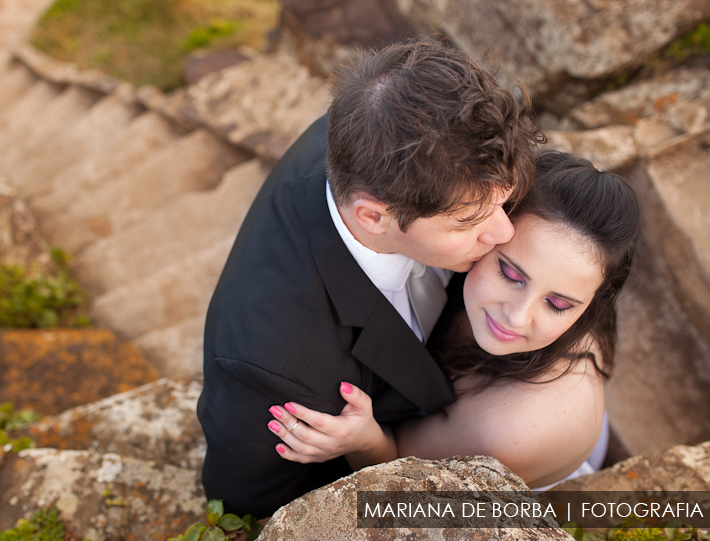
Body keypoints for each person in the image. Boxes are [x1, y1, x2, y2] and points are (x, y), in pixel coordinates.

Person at [198, 39, 544, 518]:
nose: (505, 231)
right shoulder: (277, 370)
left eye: (503, 201)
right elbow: (245, 504)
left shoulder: (400, 128)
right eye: (469, 222)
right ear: (373, 217)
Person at [267, 151, 641, 490]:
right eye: (511, 275)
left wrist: (365, 440)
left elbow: (405, 480)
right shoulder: (563, 268)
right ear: (489, 230)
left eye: (558, 304)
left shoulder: (507, 433)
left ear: (595, 302)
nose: (517, 315)